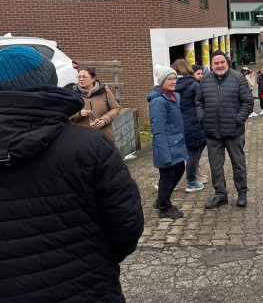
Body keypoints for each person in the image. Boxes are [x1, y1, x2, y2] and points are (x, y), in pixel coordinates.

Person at [0, 46, 143, 301]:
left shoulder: (92, 143)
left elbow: (115, 108)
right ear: (48, 83)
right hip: (86, 285)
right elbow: (127, 223)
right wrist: (98, 258)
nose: (80, 79)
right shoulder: (90, 147)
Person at [196, 50, 254, 209]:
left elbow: (247, 102)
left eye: (222, 62)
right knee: (215, 165)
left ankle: (242, 192)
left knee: (238, 163)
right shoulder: (205, 79)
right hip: (212, 132)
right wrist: (203, 118)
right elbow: (199, 102)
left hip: (234, 132)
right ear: (212, 64)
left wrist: (238, 120)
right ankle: (220, 195)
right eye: (216, 63)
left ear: (227, 63)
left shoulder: (238, 78)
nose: (219, 65)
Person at [149, 64, 188, 219]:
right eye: (169, 79)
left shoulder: (172, 95)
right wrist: (164, 153)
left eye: (174, 78)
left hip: (176, 143)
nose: (173, 81)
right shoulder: (158, 101)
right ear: (161, 81)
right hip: (166, 145)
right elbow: (158, 129)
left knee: (179, 170)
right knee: (167, 176)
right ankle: (164, 207)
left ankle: (160, 200)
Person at [171, 59, 208, 190]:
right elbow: (203, 104)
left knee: (175, 156)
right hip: (194, 125)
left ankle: (167, 182)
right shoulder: (194, 85)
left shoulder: (170, 85)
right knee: (193, 154)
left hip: (176, 125)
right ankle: (191, 182)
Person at [70, 67, 121, 142]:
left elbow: (116, 108)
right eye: (79, 76)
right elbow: (67, 114)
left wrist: (104, 120)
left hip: (104, 137)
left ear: (93, 79)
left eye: (84, 77)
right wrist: (79, 113)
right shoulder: (73, 94)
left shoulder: (104, 91)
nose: (81, 79)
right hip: (83, 139)